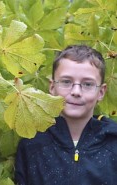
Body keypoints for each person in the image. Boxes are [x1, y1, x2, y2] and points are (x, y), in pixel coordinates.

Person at [15, 45, 117, 185]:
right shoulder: (33, 143)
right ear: (52, 86)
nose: (76, 91)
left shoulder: (113, 143)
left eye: (87, 84)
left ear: (101, 91)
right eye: (66, 82)